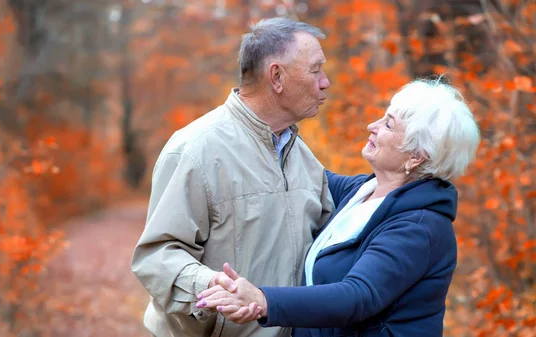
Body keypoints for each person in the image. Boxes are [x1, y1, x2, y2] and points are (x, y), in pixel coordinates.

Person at [196, 78, 481, 337]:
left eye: (389, 125)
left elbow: (357, 296)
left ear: (417, 157)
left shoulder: (419, 227)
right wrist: (263, 116)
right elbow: (298, 172)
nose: (373, 126)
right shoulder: (360, 192)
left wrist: (263, 300)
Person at [131, 17, 335, 337]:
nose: (325, 82)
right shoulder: (195, 151)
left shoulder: (305, 159)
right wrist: (211, 286)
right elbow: (157, 257)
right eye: (315, 70)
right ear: (277, 76)